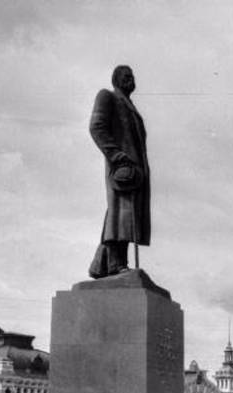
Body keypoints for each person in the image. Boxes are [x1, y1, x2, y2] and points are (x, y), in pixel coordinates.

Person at [88, 65, 151, 279]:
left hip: (135, 172)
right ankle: (115, 264)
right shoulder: (107, 97)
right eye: (125, 76)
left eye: (132, 77)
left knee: (124, 216)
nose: (130, 80)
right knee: (121, 216)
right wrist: (115, 155)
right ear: (115, 79)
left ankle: (106, 264)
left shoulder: (131, 106)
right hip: (121, 168)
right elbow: (97, 126)